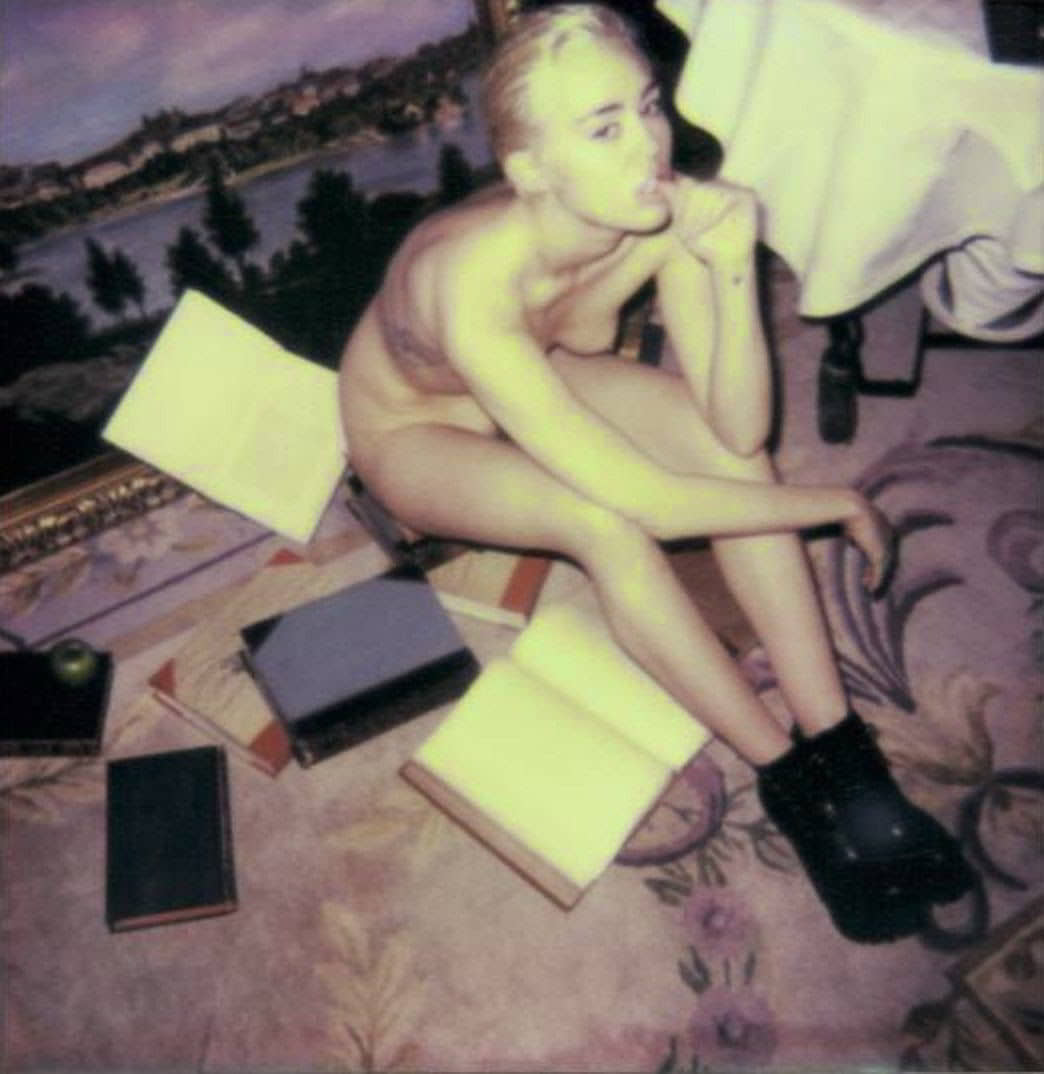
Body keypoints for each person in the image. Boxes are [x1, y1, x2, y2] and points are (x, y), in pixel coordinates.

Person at [338, 3, 973, 941]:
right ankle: (798, 791)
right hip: (415, 429)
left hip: (544, 371)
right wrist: (835, 500)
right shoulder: (469, 279)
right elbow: (652, 503)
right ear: (530, 171)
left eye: (646, 105)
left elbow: (740, 427)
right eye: (604, 128)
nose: (649, 144)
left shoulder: (665, 211)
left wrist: (730, 267)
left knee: (732, 459)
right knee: (605, 522)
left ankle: (849, 762)